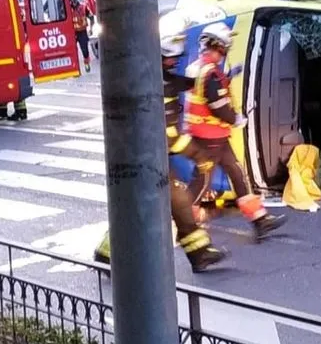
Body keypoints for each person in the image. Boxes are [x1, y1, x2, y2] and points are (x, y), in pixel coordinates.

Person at [92, 32, 227, 272]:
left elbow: (176, 82)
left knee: (162, 204)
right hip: (148, 158)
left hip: (146, 156)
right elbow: (170, 137)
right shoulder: (158, 86)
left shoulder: (154, 76)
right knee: (156, 205)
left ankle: (199, 253)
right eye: (170, 58)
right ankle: (197, 254)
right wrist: (198, 155)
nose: (174, 62)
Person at [184, 23, 286, 241]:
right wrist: (236, 119)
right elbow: (217, 105)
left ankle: (259, 220)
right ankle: (180, 222)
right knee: (201, 183)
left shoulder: (202, 68)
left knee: (238, 175)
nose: (224, 53)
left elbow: (207, 93)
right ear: (218, 46)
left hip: (214, 138)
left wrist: (228, 76)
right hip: (209, 139)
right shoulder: (210, 73)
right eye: (224, 48)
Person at [69, 0, 92, 73]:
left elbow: (90, 16)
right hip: (72, 33)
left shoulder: (83, 7)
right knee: (72, 51)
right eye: (70, 1)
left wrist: (92, 28)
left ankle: (86, 63)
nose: (72, 3)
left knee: (85, 50)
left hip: (82, 31)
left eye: (72, 0)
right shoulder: (67, 10)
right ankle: (75, 68)